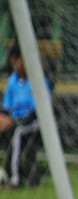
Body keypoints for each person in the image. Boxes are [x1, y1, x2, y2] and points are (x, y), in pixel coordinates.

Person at [0, 43, 50, 188]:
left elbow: (41, 109)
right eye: (14, 60)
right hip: (15, 121)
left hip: (35, 121)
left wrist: (18, 121)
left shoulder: (38, 81)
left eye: (19, 60)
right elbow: (6, 106)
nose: (16, 63)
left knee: (17, 132)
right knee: (12, 129)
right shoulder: (12, 81)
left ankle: (13, 178)